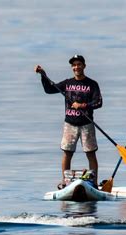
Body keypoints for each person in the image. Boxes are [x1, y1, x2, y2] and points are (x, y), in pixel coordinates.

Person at [34, 55, 103, 189]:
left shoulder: (92, 84)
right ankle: (65, 182)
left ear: (84, 66)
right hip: (70, 124)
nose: (76, 67)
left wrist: (83, 105)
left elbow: (98, 102)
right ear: (72, 67)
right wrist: (43, 75)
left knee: (91, 153)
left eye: (79, 64)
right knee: (67, 152)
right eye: (74, 65)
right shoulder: (67, 83)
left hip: (86, 124)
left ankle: (94, 183)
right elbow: (49, 89)